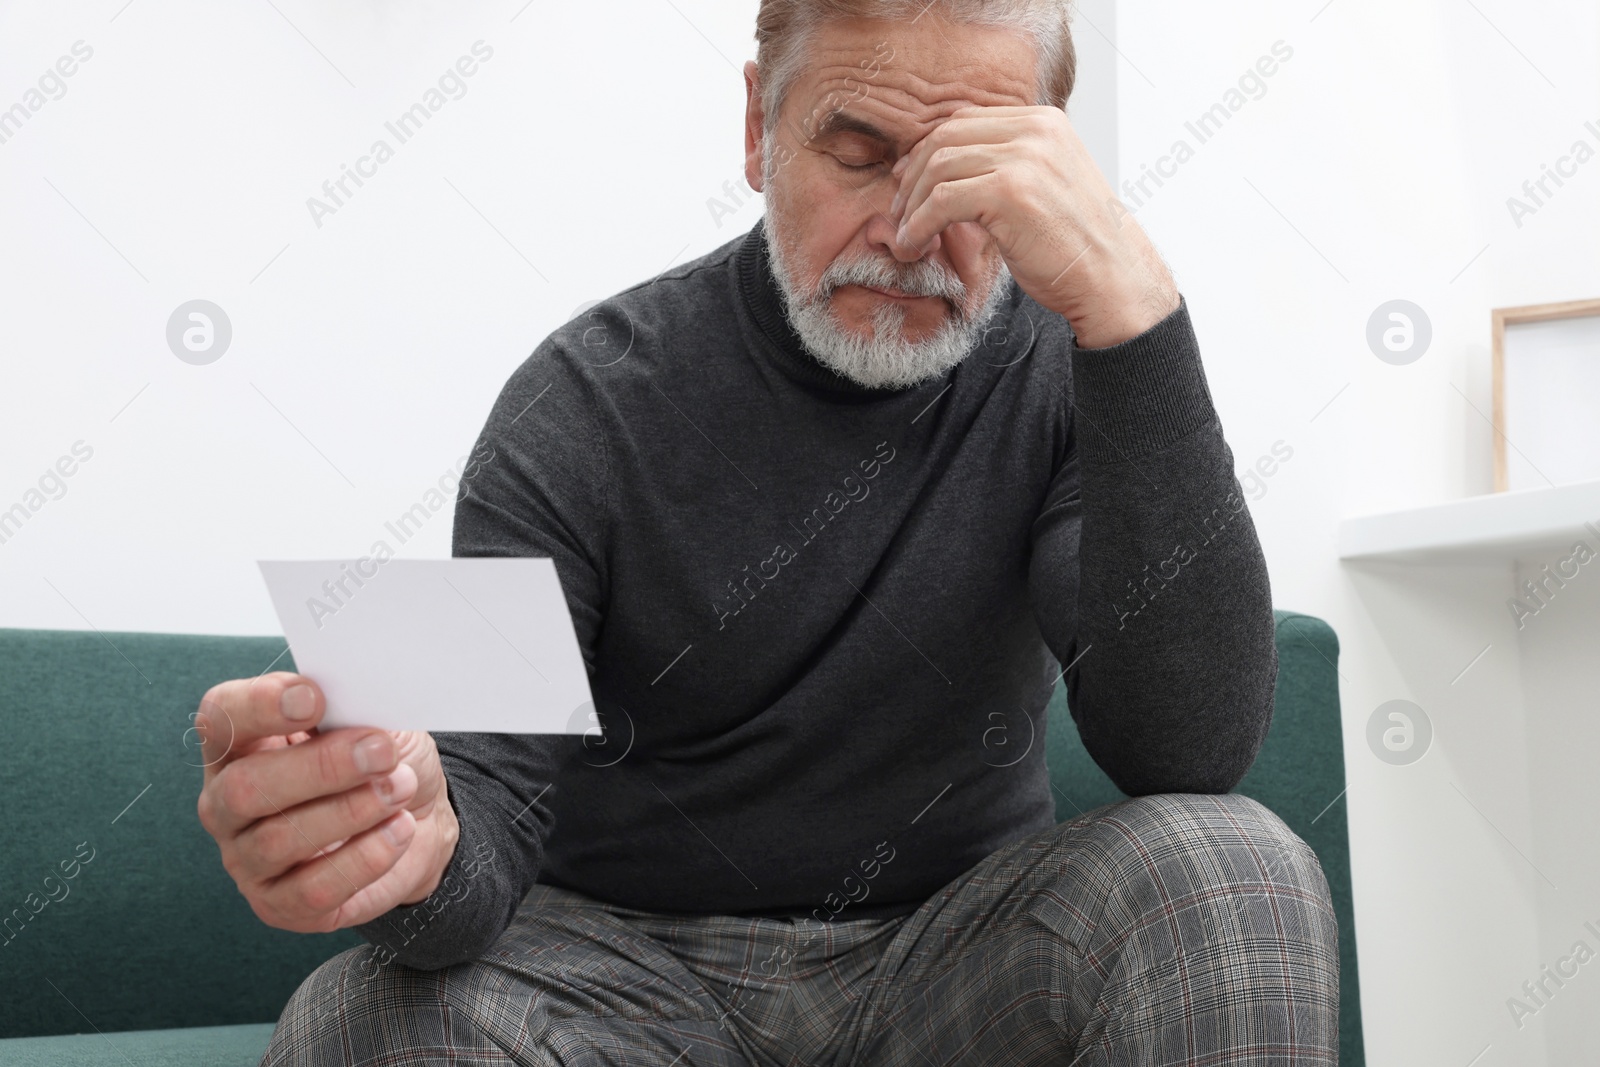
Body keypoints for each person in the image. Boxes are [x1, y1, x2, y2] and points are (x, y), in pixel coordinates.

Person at [197, 2, 1339, 1062]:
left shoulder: (1068, 367)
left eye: (971, 168)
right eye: (857, 152)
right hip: (625, 973)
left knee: (1230, 867)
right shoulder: (583, 400)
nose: (906, 229)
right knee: (355, 1018)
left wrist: (1132, 305)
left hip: (949, 960)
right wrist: (408, 843)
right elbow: (482, 824)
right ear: (757, 127)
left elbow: (1185, 753)